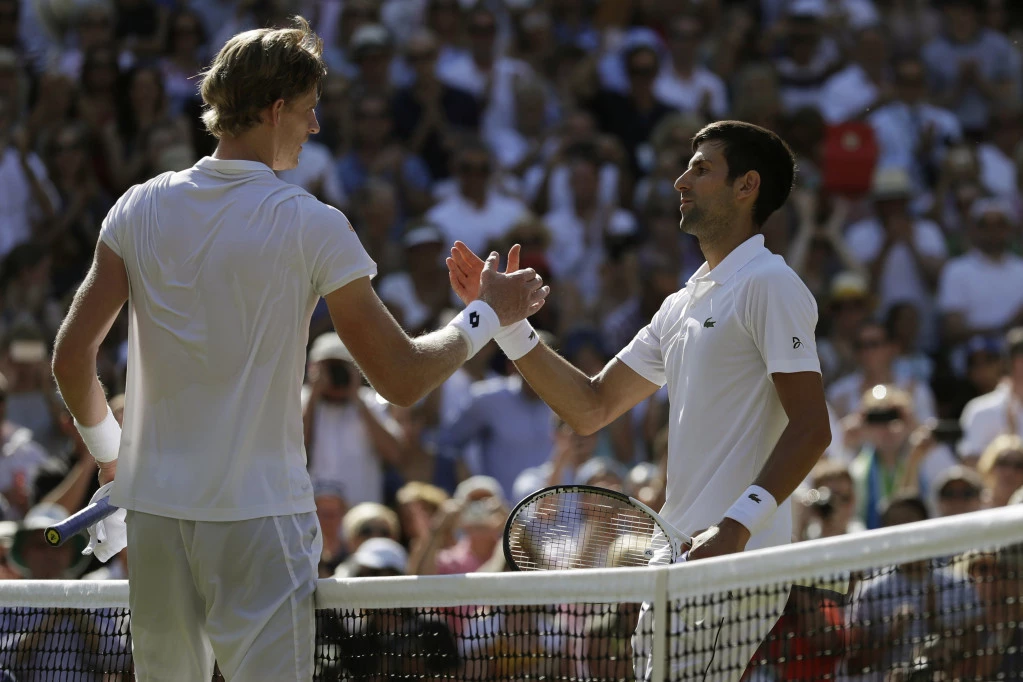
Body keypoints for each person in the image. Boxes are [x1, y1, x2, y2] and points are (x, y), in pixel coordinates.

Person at [49, 17, 547, 682]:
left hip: (157, 518)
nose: (315, 127)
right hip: (260, 523)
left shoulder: (137, 207)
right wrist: (487, 315)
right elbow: (401, 379)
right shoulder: (312, 224)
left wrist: (113, 460)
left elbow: (71, 359)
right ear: (276, 108)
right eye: (309, 110)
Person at [448, 120, 832, 680]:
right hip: (675, 558)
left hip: (733, 562)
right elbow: (591, 406)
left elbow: (812, 427)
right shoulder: (679, 305)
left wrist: (736, 527)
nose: (681, 181)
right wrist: (506, 325)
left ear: (746, 187)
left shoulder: (771, 283)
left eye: (701, 169)